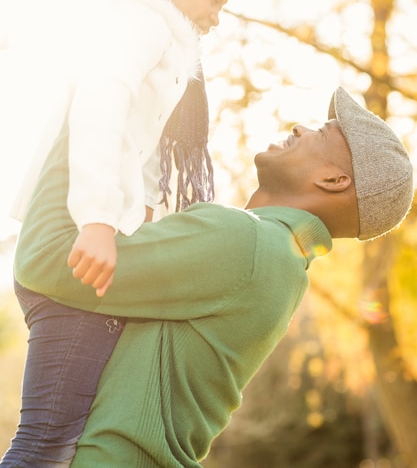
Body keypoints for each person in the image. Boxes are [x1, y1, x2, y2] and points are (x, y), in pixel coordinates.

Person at [9, 88, 416, 467]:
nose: (299, 128)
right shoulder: (281, 262)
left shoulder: (246, 243)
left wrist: (87, 117)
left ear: (333, 180)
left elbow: (45, 260)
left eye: (322, 133)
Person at [1, 0, 237, 467]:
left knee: (61, 438)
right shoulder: (141, 20)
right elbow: (101, 103)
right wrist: (100, 220)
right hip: (73, 241)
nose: (217, 16)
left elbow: (138, 146)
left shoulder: (160, 39)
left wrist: (144, 215)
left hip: (83, 238)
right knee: (45, 440)